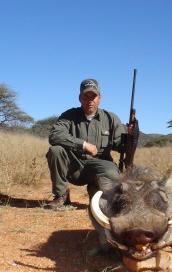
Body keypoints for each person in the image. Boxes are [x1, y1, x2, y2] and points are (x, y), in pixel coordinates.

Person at [45, 78, 127, 209]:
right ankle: (61, 195)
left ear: (99, 98)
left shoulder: (111, 118)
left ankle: (95, 189)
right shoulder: (69, 115)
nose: (90, 100)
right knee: (55, 150)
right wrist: (83, 144)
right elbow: (54, 136)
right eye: (86, 96)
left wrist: (130, 136)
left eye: (93, 96)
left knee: (112, 173)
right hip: (74, 165)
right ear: (80, 98)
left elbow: (121, 146)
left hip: (99, 165)